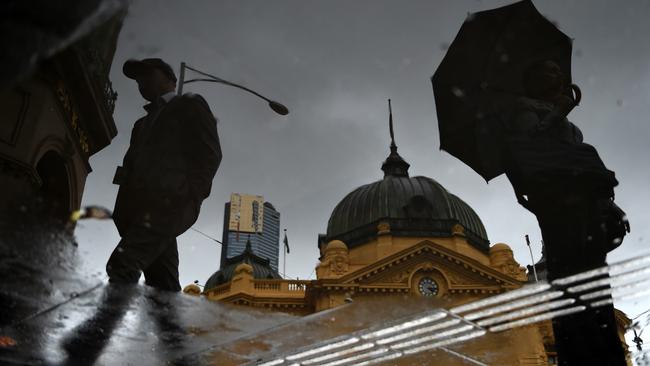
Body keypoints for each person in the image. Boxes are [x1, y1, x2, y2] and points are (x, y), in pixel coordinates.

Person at [503, 60, 630, 365]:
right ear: (532, 79)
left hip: (587, 198)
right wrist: (558, 113)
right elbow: (528, 150)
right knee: (573, 274)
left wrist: (608, 204)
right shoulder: (523, 109)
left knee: (595, 278)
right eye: (548, 70)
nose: (557, 75)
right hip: (559, 200)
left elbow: (581, 156)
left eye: (558, 71)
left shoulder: (564, 121)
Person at [107, 58, 222, 292]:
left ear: (170, 79)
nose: (141, 82)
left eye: (148, 74)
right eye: (138, 78)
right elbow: (131, 167)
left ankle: (96, 330)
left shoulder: (190, 105)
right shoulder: (141, 124)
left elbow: (210, 154)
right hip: (137, 213)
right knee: (163, 287)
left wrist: (187, 195)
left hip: (167, 206)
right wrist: (123, 213)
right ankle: (171, 330)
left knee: (122, 263)